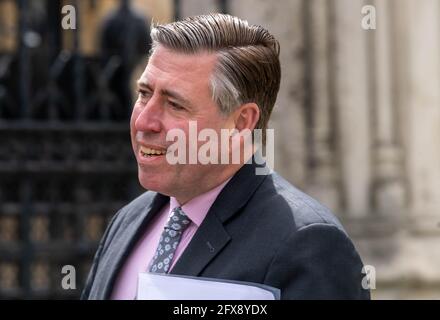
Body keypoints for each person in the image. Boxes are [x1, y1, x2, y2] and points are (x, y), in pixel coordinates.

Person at [81, 13, 370, 300]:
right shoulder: (127, 221)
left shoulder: (309, 245)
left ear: (242, 122)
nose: (144, 121)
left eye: (174, 104)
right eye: (144, 93)